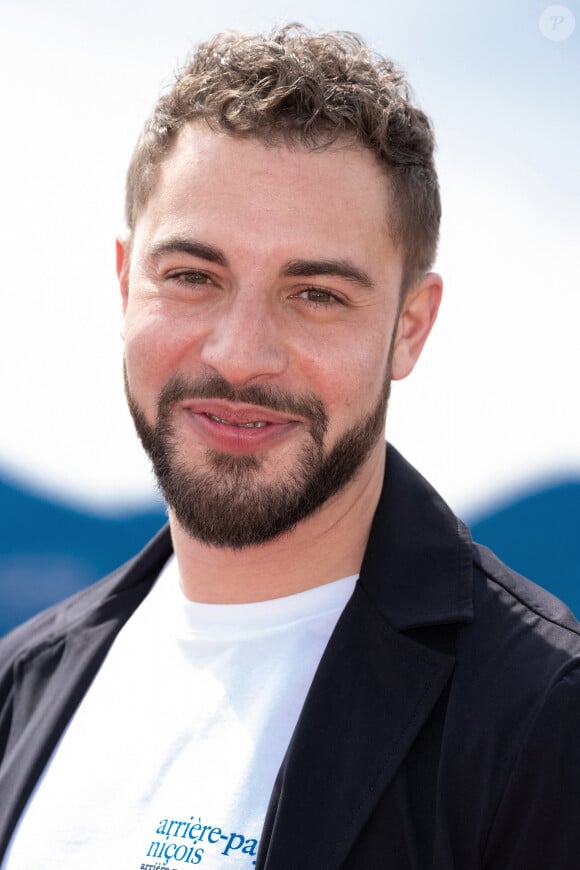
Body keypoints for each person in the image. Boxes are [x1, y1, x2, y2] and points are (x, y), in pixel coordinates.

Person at [1, 24, 579, 870]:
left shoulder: (540, 721)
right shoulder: (22, 686)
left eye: (316, 293)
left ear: (410, 328)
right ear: (126, 285)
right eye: (193, 277)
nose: (239, 354)